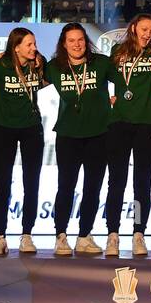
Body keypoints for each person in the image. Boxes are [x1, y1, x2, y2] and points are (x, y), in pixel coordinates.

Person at [45, 23, 111, 256]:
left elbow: (127, 82)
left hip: (99, 135)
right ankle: (60, 235)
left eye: (80, 39)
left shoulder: (101, 63)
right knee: (66, 187)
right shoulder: (54, 67)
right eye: (71, 40)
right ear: (64, 44)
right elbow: (27, 81)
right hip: (68, 135)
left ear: (87, 41)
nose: (77, 44)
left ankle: (84, 235)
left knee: (92, 188)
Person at [104, 14, 151, 258]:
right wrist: (106, 98)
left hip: (147, 123)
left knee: (142, 183)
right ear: (134, 27)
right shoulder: (117, 51)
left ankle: (139, 233)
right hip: (119, 123)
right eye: (144, 29)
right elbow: (103, 78)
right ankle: (112, 233)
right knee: (116, 181)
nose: (147, 33)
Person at [0, 27, 47, 256]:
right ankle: (0, 236)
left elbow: (49, 74)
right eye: (29, 45)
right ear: (16, 47)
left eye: (34, 44)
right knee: (3, 183)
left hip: (31, 128)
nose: (34, 48)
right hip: (2, 129)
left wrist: (38, 59)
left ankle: (27, 235)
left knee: (32, 183)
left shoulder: (39, 64)